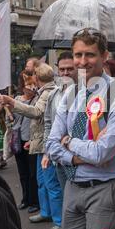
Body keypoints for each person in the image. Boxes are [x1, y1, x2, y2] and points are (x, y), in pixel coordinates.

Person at [45, 27, 115, 229]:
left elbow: (102, 152)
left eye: (90, 54)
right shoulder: (70, 93)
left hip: (104, 189)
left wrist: (69, 141)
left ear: (104, 56)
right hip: (71, 186)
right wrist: (76, 157)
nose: (82, 61)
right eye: (78, 54)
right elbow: (51, 145)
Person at [0, 64, 58, 229]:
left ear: (37, 78)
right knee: (42, 182)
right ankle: (46, 212)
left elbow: (37, 112)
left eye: (32, 76)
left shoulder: (48, 92)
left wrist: (12, 102)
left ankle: (58, 220)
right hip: (40, 143)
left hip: (47, 145)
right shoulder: (44, 91)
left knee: (50, 184)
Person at [43, 51, 76, 192]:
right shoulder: (54, 94)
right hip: (59, 157)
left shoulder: (87, 93)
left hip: (77, 157)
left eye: (70, 69)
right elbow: (48, 123)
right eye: (62, 69)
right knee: (66, 198)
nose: (65, 73)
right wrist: (47, 151)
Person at [8, 70, 39, 213]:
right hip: (18, 138)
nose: (31, 87)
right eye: (28, 84)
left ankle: (34, 201)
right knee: (23, 172)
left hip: (31, 139)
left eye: (33, 83)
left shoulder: (38, 99)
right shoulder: (16, 99)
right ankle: (25, 198)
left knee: (33, 173)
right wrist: (8, 110)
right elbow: (12, 118)